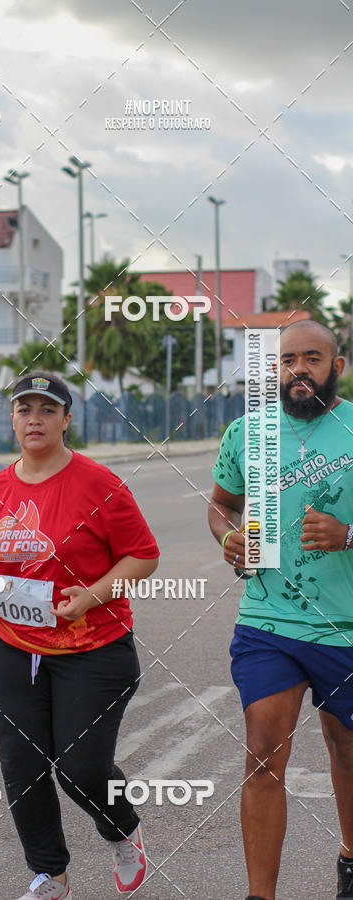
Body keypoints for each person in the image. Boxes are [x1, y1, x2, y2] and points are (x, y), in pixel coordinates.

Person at [0, 371, 160, 899]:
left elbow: (143, 555)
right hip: (12, 647)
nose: (34, 419)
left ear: (65, 419)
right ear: (12, 420)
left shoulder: (98, 483)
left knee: (80, 769)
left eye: (46, 409)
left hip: (95, 648)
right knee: (22, 765)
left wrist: (91, 595)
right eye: (24, 409)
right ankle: (50, 875)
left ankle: (122, 829)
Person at [208, 320, 353, 900]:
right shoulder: (247, 432)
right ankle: (259, 895)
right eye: (287, 360)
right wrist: (228, 538)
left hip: (344, 626)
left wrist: (347, 534)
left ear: (335, 366)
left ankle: (350, 857)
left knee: (345, 745)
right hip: (268, 621)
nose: (298, 370)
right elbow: (220, 505)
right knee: (264, 748)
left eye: (312, 358)